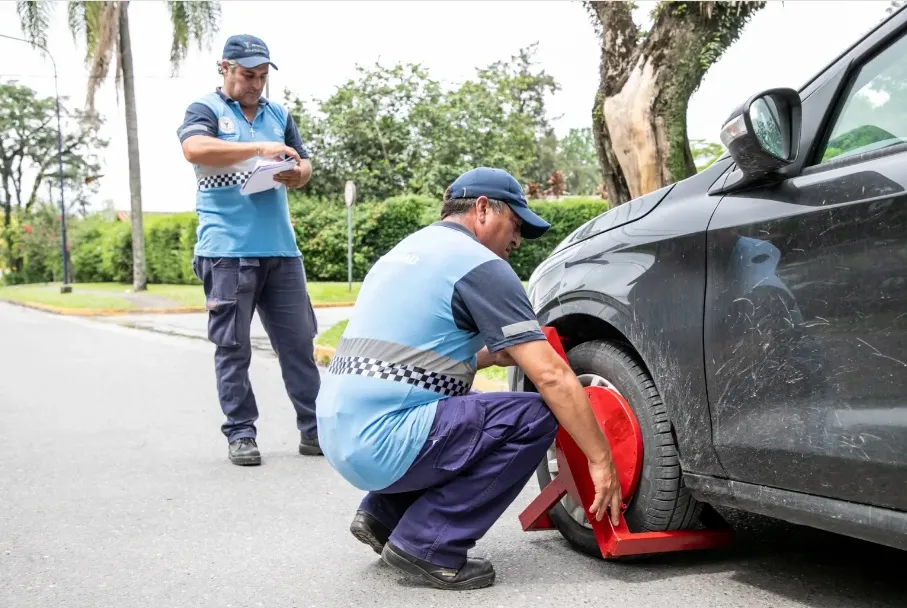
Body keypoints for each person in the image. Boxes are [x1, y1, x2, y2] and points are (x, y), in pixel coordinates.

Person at [316, 167, 622, 590]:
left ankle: (383, 515)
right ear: (482, 209)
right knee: (533, 416)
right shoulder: (481, 266)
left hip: (339, 433)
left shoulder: (408, 250)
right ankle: (429, 544)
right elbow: (552, 377)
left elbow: (408, 358)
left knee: (460, 413)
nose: (516, 241)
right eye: (515, 225)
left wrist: (483, 358)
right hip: (383, 444)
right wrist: (601, 459)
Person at [176, 34, 322, 466]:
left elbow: (305, 159)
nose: (256, 84)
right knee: (233, 347)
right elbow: (193, 149)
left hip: (281, 251)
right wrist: (258, 148)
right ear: (225, 68)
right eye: (247, 75)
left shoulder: (279, 113)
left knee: (298, 345)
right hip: (226, 251)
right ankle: (241, 433)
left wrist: (299, 174)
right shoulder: (206, 110)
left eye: (262, 76)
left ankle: (314, 431)